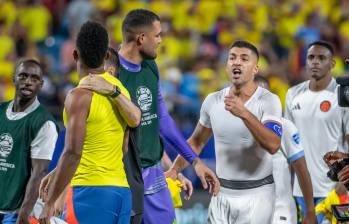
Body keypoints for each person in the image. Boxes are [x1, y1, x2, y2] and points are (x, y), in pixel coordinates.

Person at [79, 9, 220, 224]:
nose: (161, 40)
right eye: (157, 35)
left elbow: (160, 120)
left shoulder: (150, 66)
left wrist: (191, 163)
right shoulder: (110, 72)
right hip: (122, 176)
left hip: (153, 173)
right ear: (141, 38)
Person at [168, 40, 283, 223]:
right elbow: (197, 142)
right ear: (227, 66)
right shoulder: (213, 101)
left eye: (244, 59)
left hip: (258, 194)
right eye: (232, 58)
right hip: (221, 193)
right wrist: (174, 169)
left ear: (255, 69)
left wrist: (243, 113)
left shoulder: (269, 101)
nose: (237, 62)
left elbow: (273, 144)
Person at [38, 21, 141, 224]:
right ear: (106, 56)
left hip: (89, 193)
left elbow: (73, 153)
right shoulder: (120, 89)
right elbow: (123, 147)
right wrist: (57, 172)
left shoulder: (79, 96)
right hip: (121, 192)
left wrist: (49, 202)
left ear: (75, 55)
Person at [285, 40, 349, 222]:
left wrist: (344, 184)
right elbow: (288, 144)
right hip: (300, 191)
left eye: (322, 58)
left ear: (332, 64)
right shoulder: (292, 94)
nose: (315, 62)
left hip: (334, 191)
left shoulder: (342, 95)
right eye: (311, 57)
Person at [0, 59, 58, 223]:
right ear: (13, 79)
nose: (28, 82)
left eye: (34, 78)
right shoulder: (0, 111)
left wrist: (23, 215)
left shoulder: (44, 123)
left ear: (41, 84)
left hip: (15, 212)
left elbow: (38, 173)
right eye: (23, 76)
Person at [254, 75, 316, 224]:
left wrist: (310, 211)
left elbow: (302, 170)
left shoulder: (284, 126)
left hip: (280, 212)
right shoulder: (238, 127)